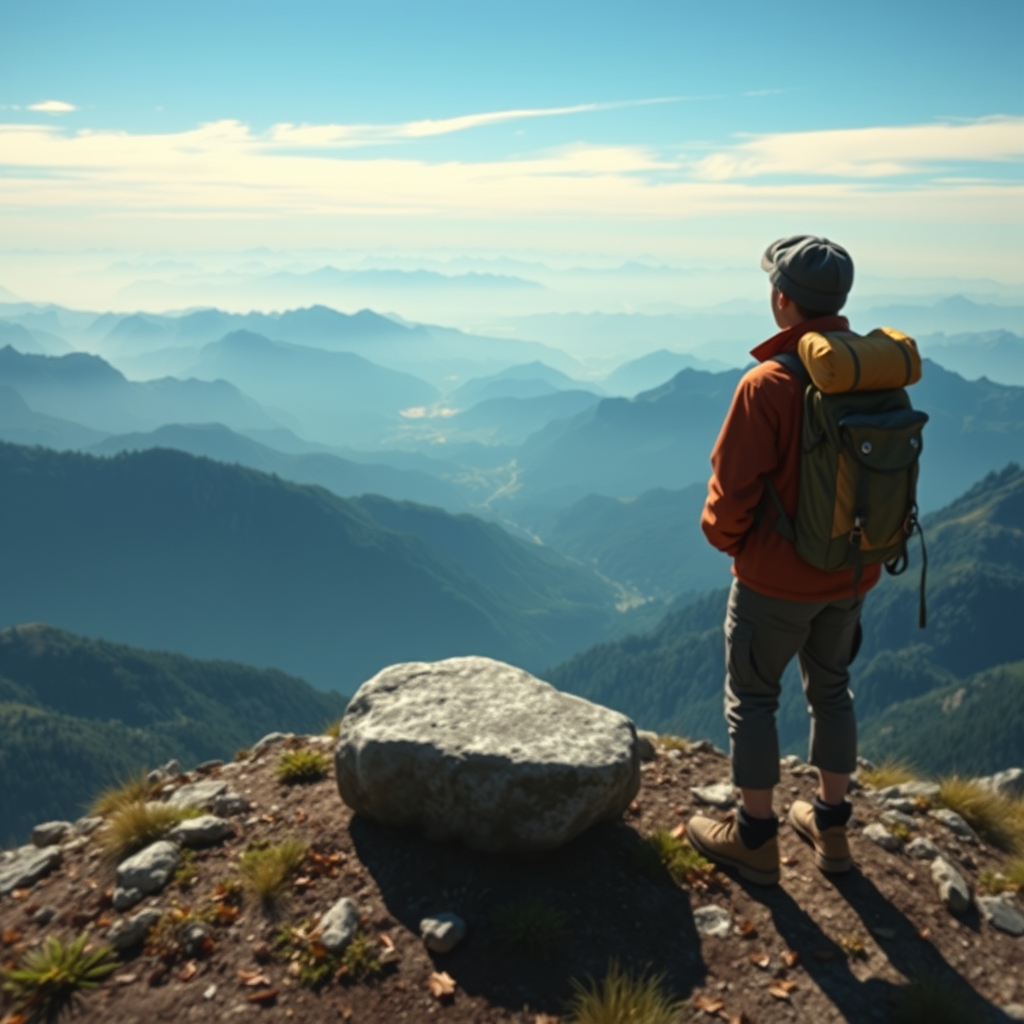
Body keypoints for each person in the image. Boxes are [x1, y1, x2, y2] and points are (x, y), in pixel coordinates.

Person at [686, 235, 871, 886]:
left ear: (782, 300)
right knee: (832, 690)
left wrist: (729, 542)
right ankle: (831, 824)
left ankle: (756, 836)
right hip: (852, 571)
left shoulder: (767, 383)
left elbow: (731, 490)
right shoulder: (872, 374)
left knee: (754, 699)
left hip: (775, 581)